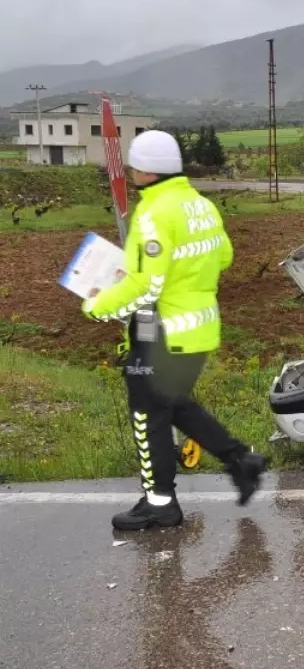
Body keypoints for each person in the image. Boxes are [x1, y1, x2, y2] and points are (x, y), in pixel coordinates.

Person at [82, 131, 269, 531]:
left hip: (161, 334)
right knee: (173, 403)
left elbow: (146, 286)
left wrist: (97, 306)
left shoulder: (153, 214)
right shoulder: (201, 205)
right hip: (197, 330)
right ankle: (241, 460)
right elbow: (224, 257)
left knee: (148, 415)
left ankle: (160, 504)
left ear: (142, 170)